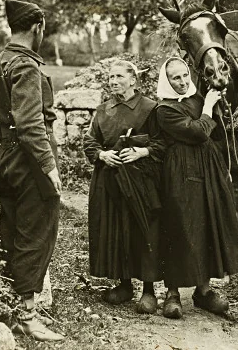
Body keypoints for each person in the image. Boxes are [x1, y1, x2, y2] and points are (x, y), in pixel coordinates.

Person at [0, 0, 64, 341]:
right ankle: (27, 316)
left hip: (5, 156)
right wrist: (49, 168)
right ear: (37, 28)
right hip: (30, 160)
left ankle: (9, 302)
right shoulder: (27, 66)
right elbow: (31, 124)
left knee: (12, 231)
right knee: (36, 234)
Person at [155, 57, 238, 319]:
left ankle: (203, 291)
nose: (183, 81)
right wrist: (208, 107)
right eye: (176, 78)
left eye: (185, 75)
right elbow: (197, 132)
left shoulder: (197, 99)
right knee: (180, 225)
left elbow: (217, 131)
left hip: (208, 169)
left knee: (206, 223)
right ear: (167, 81)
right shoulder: (164, 109)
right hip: (180, 172)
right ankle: (172, 292)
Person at [83, 60, 165, 314]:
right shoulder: (104, 110)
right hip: (111, 182)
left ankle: (149, 291)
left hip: (142, 182)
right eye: (111, 77)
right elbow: (90, 141)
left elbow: (163, 143)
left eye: (119, 76)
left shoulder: (151, 108)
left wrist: (142, 151)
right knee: (118, 231)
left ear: (133, 80)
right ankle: (125, 284)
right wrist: (101, 155)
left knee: (144, 231)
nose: (114, 81)